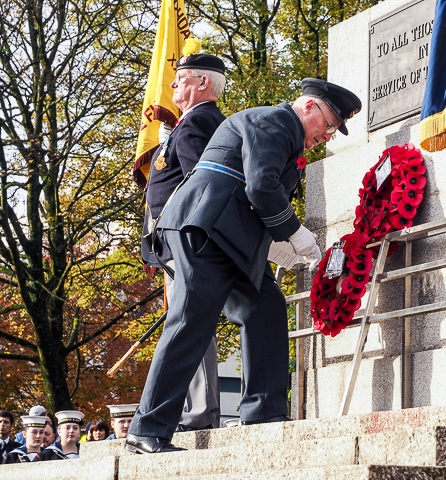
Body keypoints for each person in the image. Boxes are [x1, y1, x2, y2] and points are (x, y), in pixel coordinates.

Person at [124, 78, 361, 454]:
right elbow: (262, 188)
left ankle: (263, 413)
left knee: (264, 306)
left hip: (229, 238)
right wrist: (295, 233)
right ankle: (146, 428)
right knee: (190, 321)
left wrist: (283, 246)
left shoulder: (282, 130)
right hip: (207, 229)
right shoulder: (279, 121)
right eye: (329, 124)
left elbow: (255, 195)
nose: (328, 136)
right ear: (310, 107)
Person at [142, 53, 227, 432]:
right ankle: (197, 408)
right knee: (187, 322)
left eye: (180, 78)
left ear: (203, 83)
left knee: (190, 323)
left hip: (185, 241)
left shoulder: (198, 124)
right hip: (175, 242)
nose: (173, 84)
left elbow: (199, 185)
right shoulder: (191, 124)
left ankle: (202, 410)